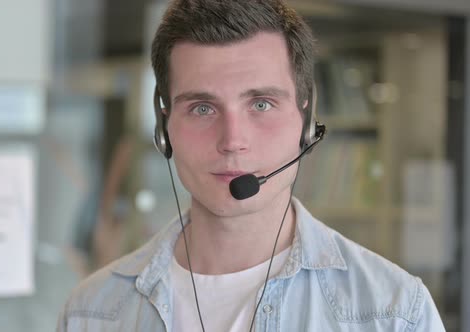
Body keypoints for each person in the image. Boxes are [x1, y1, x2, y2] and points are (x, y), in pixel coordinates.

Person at [57, 0, 446, 331]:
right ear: (164, 127)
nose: (232, 141)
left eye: (261, 104)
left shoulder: (393, 313)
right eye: (202, 108)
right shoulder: (92, 314)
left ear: (306, 122)